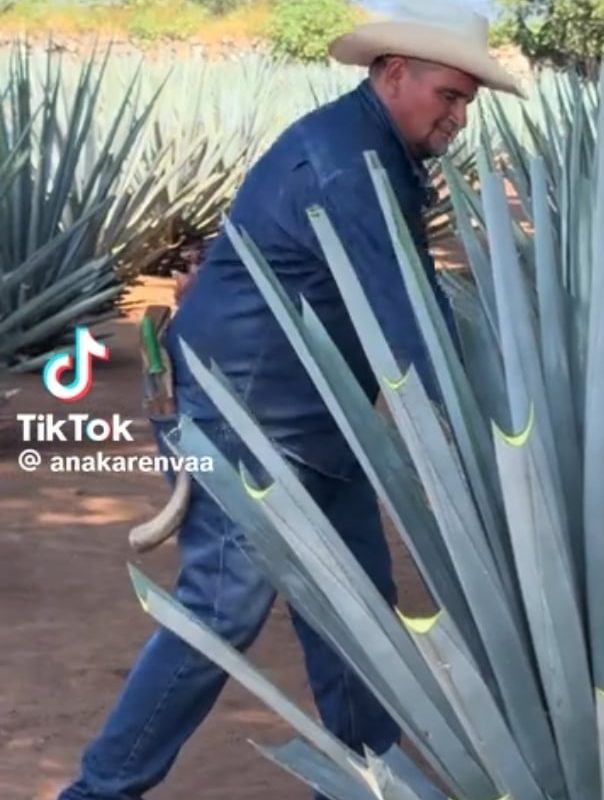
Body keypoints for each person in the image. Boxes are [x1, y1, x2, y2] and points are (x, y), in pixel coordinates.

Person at [58, 6, 524, 799]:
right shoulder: (346, 166)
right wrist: (502, 441)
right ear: (393, 72)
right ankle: (98, 793)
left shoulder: (374, 149)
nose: (458, 114)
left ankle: (361, 783)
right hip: (244, 422)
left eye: (469, 101)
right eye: (449, 93)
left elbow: (401, 303)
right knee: (220, 615)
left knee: (358, 618)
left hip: (320, 424)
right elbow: (406, 318)